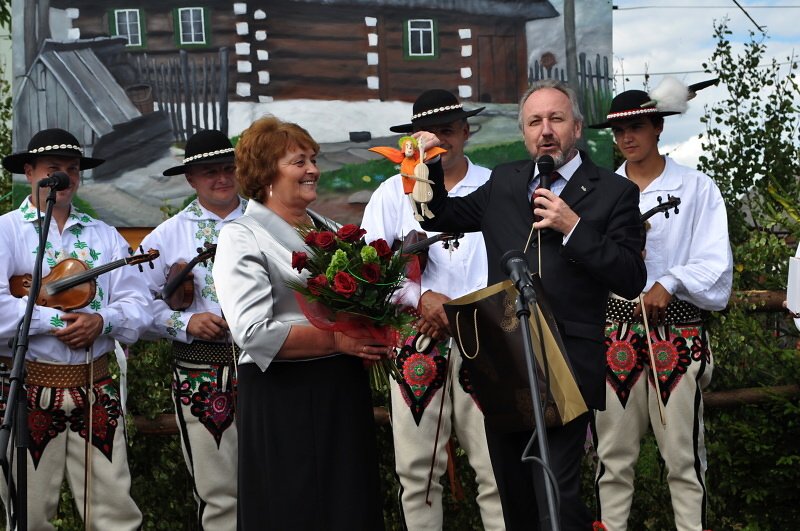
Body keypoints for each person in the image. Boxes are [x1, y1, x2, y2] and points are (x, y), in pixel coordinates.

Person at [418, 79, 647, 530]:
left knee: (557, 501)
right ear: (524, 133)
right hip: (504, 362)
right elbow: (441, 216)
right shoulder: (505, 180)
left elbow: (631, 275)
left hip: (567, 362)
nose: (546, 130)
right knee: (515, 499)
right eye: (535, 121)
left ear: (577, 128)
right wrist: (426, 167)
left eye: (556, 119)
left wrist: (573, 225)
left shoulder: (612, 192)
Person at [212, 116, 387, 530]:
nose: (312, 170)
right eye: (298, 161)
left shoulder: (328, 230)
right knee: (295, 509)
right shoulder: (241, 235)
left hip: (341, 390)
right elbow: (252, 333)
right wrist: (339, 341)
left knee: (349, 506)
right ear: (266, 173)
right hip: (285, 395)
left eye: (313, 159)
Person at [588, 87, 733, 531]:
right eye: (619, 129)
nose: (627, 137)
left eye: (636, 126)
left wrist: (670, 282)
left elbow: (715, 263)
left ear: (658, 127)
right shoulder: (601, 191)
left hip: (677, 334)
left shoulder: (696, 188)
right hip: (615, 334)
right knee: (612, 459)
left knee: (683, 458)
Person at [361, 89, 505, 530]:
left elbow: (518, 263)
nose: (438, 143)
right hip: (418, 339)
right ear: (412, 142)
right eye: (428, 136)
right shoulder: (391, 193)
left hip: (488, 334)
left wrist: (466, 306)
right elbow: (369, 270)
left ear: (466, 131)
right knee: (418, 474)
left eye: (447, 131)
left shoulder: (497, 187)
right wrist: (417, 297)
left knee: (497, 468)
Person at [0, 128, 150, 529]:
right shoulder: (6, 231)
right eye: (54, 170)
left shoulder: (104, 235)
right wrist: (57, 321)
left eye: (72, 169)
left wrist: (102, 320)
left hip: (94, 386)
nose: (64, 178)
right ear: (29, 172)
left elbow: (139, 305)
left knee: (114, 511)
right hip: (27, 387)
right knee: (28, 513)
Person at [139, 129, 244, 530]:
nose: (220, 178)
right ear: (191, 179)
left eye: (227, 168)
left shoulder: (265, 221)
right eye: (208, 172)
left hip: (269, 366)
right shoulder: (167, 235)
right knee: (218, 491)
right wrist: (185, 322)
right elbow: (136, 305)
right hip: (201, 372)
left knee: (277, 474)